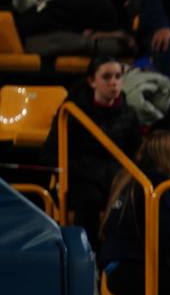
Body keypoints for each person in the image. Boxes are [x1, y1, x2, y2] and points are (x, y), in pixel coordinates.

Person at [41, 56, 142, 246]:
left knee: (135, 196)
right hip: (82, 178)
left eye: (118, 76)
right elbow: (50, 153)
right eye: (106, 77)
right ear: (91, 81)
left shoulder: (130, 115)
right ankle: (85, 260)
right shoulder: (70, 113)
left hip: (116, 179)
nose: (113, 82)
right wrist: (83, 169)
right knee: (88, 198)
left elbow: (136, 156)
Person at [98, 129, 170, 295]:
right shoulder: (155, 188)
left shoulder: (130, 179)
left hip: (118, 271)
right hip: (132, 271)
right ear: (167, 156)